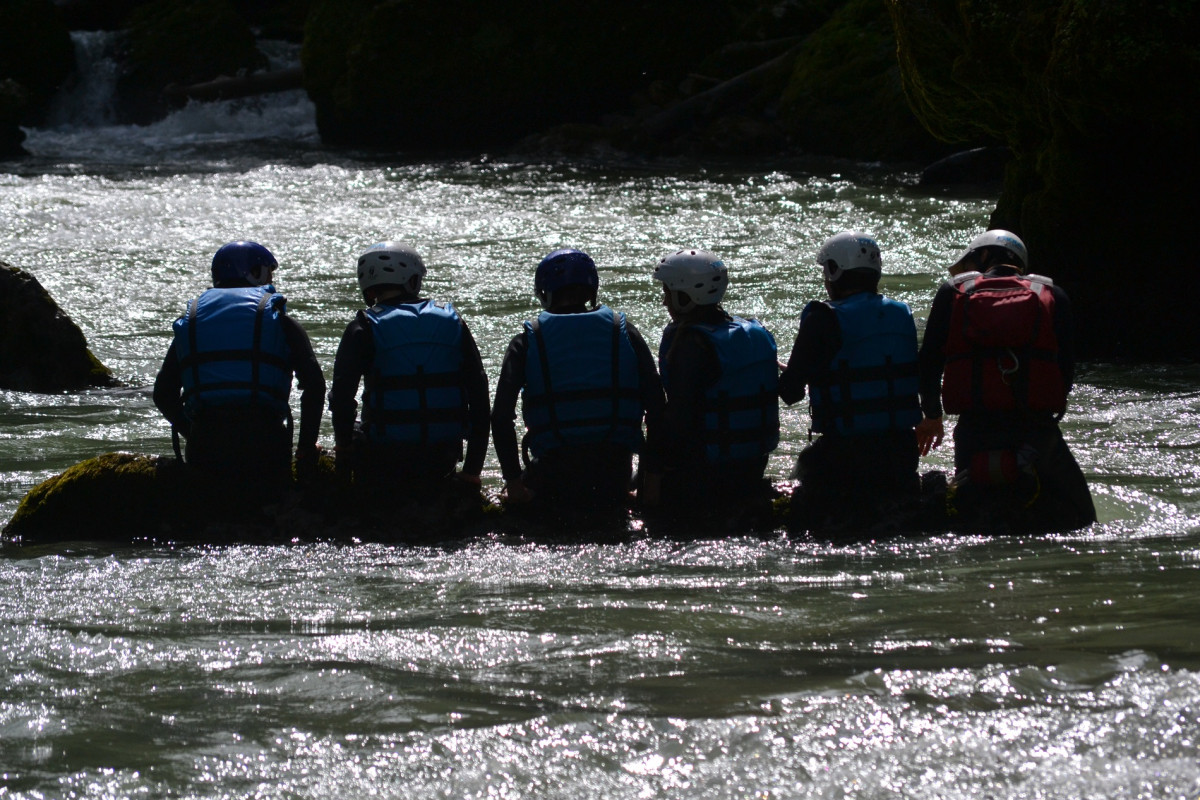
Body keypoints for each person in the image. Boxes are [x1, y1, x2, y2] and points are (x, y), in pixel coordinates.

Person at [916, 229, 1096, 530]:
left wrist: (932, 416)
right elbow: (1065, 370)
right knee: (1085, 518)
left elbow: (929, 361)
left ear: (984, 256)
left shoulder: (953, 293)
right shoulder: (1052, 294)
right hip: (1035, 430)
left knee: (964, 516)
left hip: (975, 429)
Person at [490, 248, 665, 517]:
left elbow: (501, 418)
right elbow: (657, 408)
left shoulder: (526, 341)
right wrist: (649, 484)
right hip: (615, 474)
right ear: (591, 290)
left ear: (544, 291)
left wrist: (513, 484)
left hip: (552, 476)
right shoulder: (625, 332)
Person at [153, 240, 325, 497]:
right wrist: (305, 449)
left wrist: (194, 433)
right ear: (255, 272)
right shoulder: (279, 319)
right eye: (269, 271)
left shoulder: (191, 322)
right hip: (265, 445)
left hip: (205, 446)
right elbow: (315, 385)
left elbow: (163, 394)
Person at [778, 232, 925, 529]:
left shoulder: (823, 317)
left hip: (845, 456)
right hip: (901, 454)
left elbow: (791, 392)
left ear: (834, 271)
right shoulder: (901, 313)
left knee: (802, 477)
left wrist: (779, 371)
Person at [327, 242, 490, 503]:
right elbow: (480, 397)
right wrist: (472, 471)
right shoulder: (453, 321)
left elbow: (342, 399)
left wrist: (344, 451)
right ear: (413, 280)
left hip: (384, 459)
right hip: (442, 457)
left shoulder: (363, 327)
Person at [644, 248, 779, 517]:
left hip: (703, 476)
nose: (664, 302)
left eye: (668, 293)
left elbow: (677, 421)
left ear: (686, 296)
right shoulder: (755, 332)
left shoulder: (691, 344)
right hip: (752, 468)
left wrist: (652, 474)